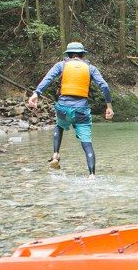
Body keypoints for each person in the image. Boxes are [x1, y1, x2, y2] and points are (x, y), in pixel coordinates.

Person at [27, 42, 114, 179]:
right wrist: (109, 106)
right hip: (81, 110)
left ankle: (55, 154)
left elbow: (48, 79)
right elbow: (104, 86)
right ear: (83, 55)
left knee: (59, 125)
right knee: (86, 142)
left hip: (63, 108)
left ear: (68, 55)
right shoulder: (91, 68)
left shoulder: (61, 65)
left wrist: (36, 94)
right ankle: (91, 175)